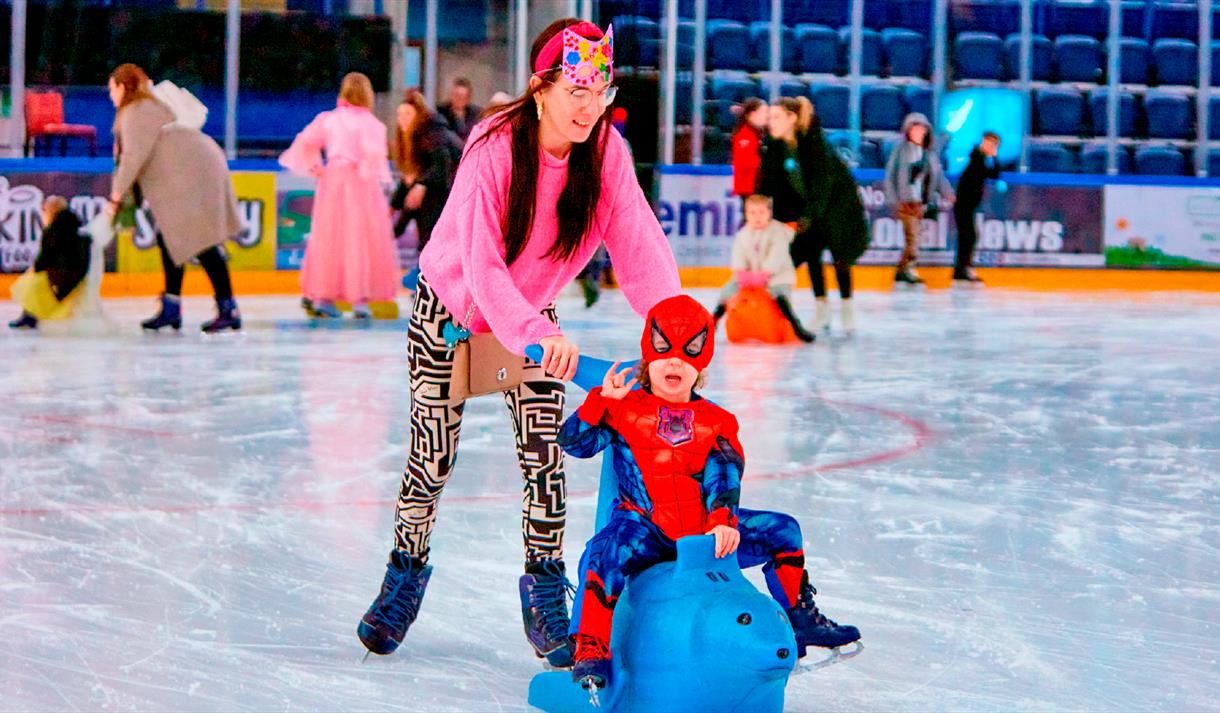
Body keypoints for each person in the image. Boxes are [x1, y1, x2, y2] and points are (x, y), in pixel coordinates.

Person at [356, 19, 681, 668]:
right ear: (540, 89)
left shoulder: (605, 153)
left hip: (531, 316)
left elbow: (639, 244)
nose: (591, 106)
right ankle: (405, 572)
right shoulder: (495, 145)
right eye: (576, 90)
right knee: (431, 461)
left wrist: (673, 331)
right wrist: (534, 334)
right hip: (450, 312)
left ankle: (545, 588)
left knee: (544, 460)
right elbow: (481, 265)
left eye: (601, 90)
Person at [559, 295, 861, 692]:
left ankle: (800, 618)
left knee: (784, 531)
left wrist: (722, 522)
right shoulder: (622, 408)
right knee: (602, 554)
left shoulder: (717, 421)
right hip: (643, 529)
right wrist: (600, 401)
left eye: (687, 356)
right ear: (648, 359)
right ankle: (591, 647)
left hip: (703, 532)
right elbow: (573, 443)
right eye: (664, 353)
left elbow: (724, 475)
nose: (674, 363)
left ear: (700, 365)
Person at [106, 63, 242, 333]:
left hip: (193, 170)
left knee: (201, 241)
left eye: (111, 88)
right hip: (190, 167)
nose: (110, 95)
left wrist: (115, 196)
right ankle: (172, 306)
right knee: (169, 237)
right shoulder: (142, 109)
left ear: (123, 87)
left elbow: (133, 158)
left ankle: (228, 308)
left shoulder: (135, 111)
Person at [280, 72, 400, 319]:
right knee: (362, 239)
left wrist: (316, 167)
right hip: (362, 184)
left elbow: (304, 142)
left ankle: (325, 297)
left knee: (329, 238)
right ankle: (360, 300)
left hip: (334, 181)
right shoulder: (372, 125)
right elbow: (375, 158)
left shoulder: (329, 120)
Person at [788, 102, 869, 335]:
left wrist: (811, 214)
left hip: (838, 211)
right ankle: (822, 310)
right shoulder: (798, 142)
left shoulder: (815, 143)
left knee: (840, 260)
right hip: (818, 209)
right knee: (813, 257)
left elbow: (824, 183)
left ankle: (847, 309)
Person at [711, 194, 814, 342]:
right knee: (728, 290)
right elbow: (738, 257)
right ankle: (714, 320)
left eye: (761, 212)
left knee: (779, 294)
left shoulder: (778, 232)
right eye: (753, 213)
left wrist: (764, 274)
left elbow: (777, 257)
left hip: (777, 277)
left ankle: (795, 326)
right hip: (749, 277)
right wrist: (743, 274)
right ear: (746, 215)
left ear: (769, 213)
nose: (757, 217)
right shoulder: (743, 234)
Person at [884, 112, 954, 286]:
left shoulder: (929, 154)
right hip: (905, 201)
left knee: (915, 237)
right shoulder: (900, 150)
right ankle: (907, 269)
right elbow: (890, 176)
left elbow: (938, 178)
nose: (918, 132)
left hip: (920, 202)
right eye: (914, 129)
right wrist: (893, 199)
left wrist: (948, 193)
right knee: (912, 237)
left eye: (921, 129)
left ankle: (903, 269)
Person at [390, 88, 460, 252]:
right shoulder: (414, 142)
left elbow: (441, 166)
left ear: (418, 114)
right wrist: (392, 208)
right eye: (399, 115)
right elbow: (409, 181)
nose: (402, 120)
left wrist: (420, 185)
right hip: (438, 188)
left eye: (407, 114)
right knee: (416, 200)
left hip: (453, 188)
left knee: (426, 210)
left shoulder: (431, 130)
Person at [8, 196, 88, 330]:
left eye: (44, 210)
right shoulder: (75, 227)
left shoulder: (53, 230)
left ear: (51, 211)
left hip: (62, 279)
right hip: (78, 277)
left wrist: (33, 269)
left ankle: (29, 316)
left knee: (31, 283)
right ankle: (31, 315)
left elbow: (45, 259)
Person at [952, 132, 1001, 284]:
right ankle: (963, 269)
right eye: (989, 143)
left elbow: (994, 174)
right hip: (963, 204)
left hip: (969, 205)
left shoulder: (982, 158)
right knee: (968, 236)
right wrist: (989, 155)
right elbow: (987, 172)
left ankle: (962, 269)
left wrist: (994, 157)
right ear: (983, 142)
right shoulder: (977, 157)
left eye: (994, 145)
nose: (991, 147)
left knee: (968, 236)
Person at [730, 98, 768, 211]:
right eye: (764, 112)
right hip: (750, 187)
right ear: (753, 114)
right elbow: (747, 161)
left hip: (754, 186)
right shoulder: (745, 135)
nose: (767, 116)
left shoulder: (757, 134)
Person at [437, 77, 482, 144]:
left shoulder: (475, 114)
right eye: (456, 95)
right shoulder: (441, 112)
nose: (459, 99)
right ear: (451, 95)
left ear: (468, 98)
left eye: (463, 97)